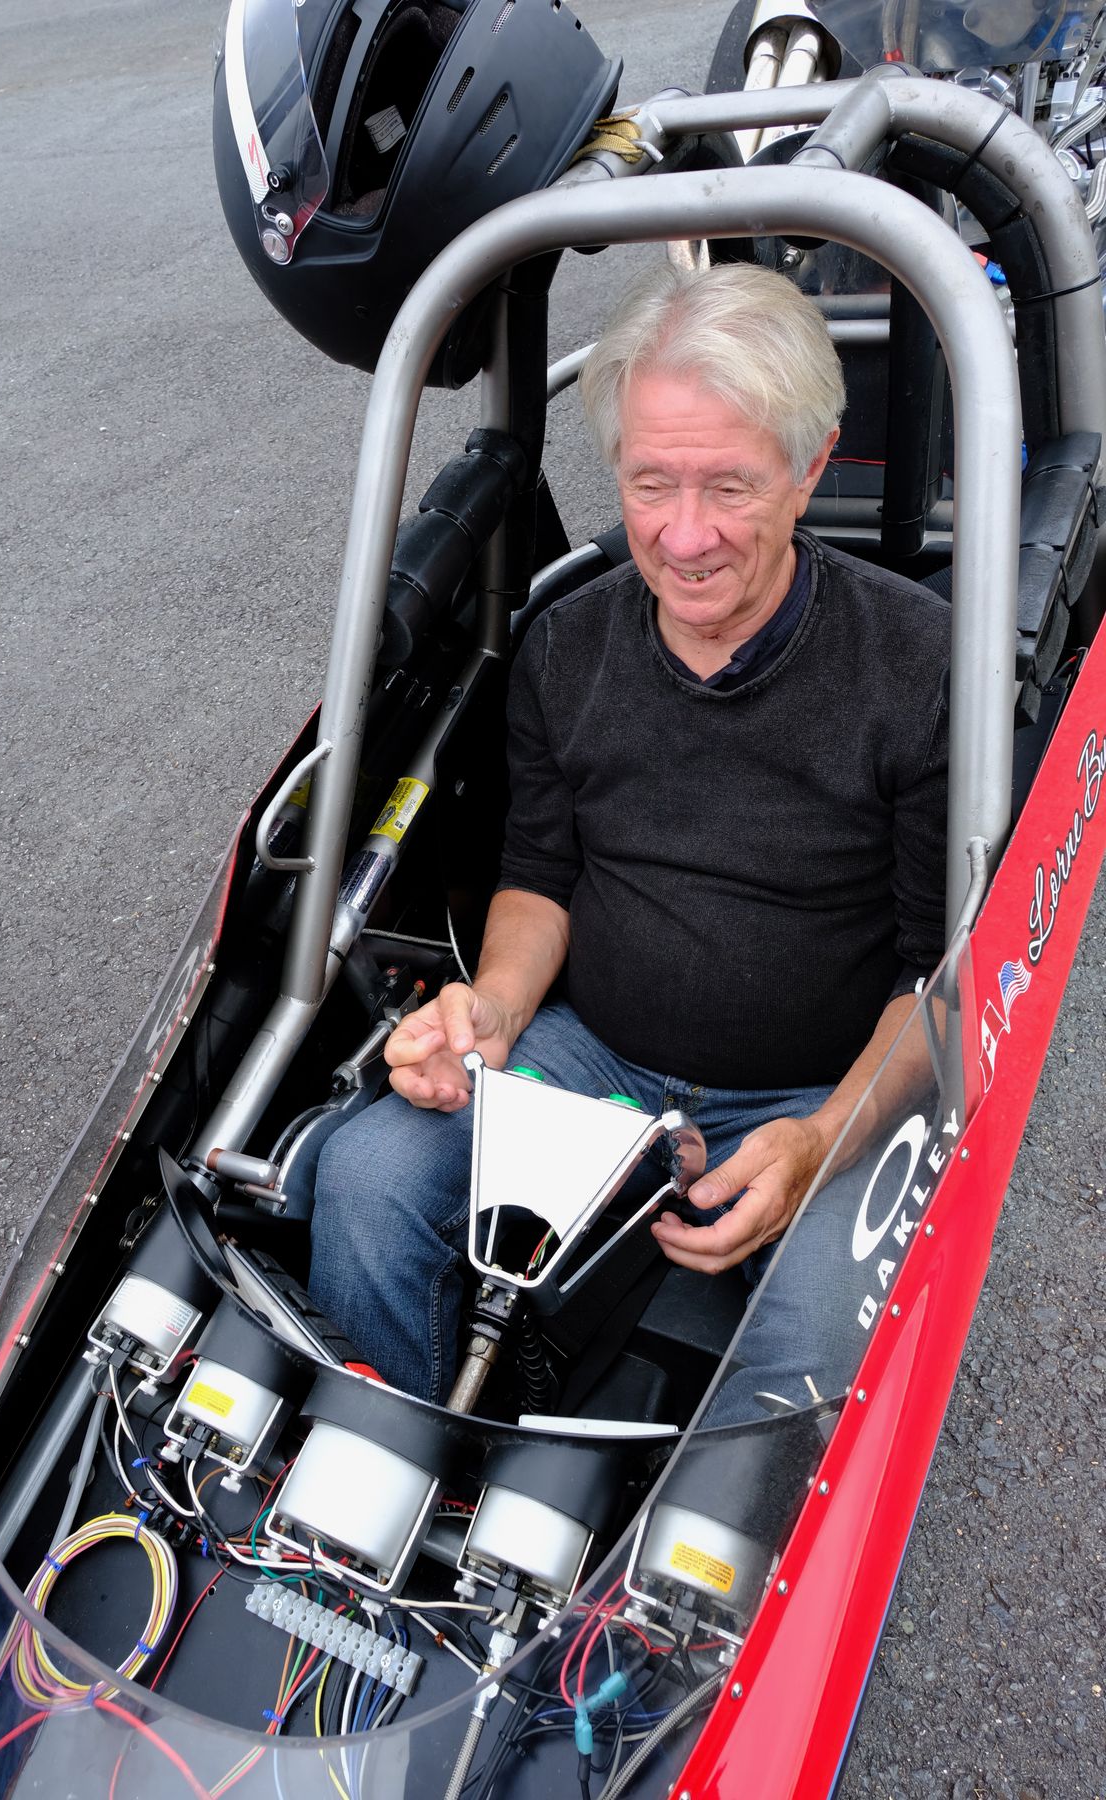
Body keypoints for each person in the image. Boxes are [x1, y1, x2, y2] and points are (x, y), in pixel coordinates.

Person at [306, 259, 950, 1419]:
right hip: (596, 1060)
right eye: (652, 483)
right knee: (364, 1177)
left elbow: (936, 977)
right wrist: (492, 1011)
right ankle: (402, 1481)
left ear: (811, 468)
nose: (685, 536)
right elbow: (540, 877)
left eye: (731, 488)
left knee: (818, 1348)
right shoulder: (565, 646)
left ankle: (703, 1588)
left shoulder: (917, 663)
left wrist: (818, 1139)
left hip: (814, 1087)